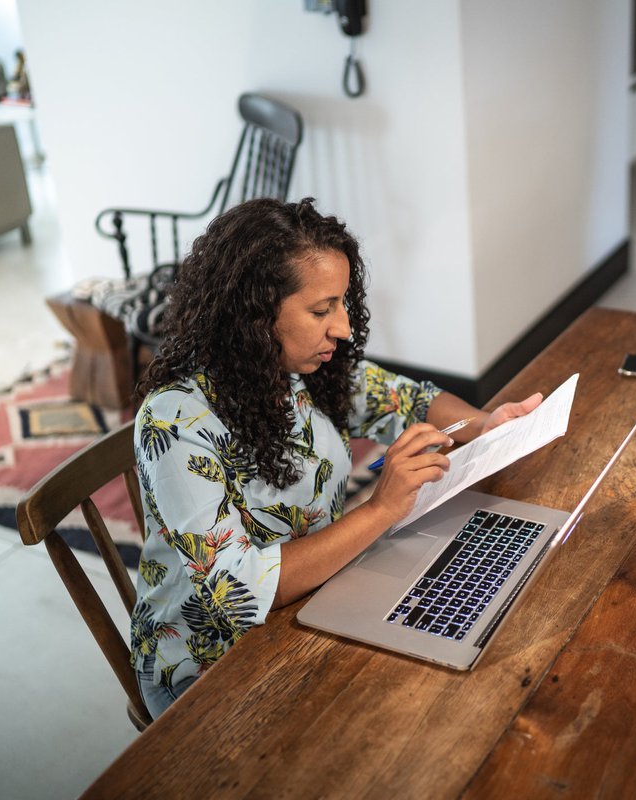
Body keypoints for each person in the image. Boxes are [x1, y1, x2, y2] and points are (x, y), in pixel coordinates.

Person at [129, 197, 542, 717]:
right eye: (322, 310)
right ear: (253, 315)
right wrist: (379, 509)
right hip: (208, 662)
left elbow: (408, 399)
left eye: (343, 303)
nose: (343, 327)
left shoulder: (301, 368)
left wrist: (485, 423)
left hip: (317, 593)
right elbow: (239, 589)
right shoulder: (176, 422)